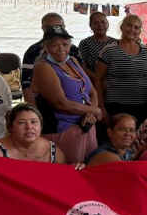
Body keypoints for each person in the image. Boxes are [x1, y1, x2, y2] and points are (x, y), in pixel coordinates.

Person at [32, 25, 101, 163]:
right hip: (63, 130)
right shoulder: (43, 67)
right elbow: (61, 103)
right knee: (69, 172)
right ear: (46, 47)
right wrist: (93, 110)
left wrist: (91, 113)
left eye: (65, 44)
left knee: (90, 167)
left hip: (85, 125)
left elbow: (92, 91)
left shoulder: (72, 61)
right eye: (54, 45)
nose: (61, 49)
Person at [94, 14, 147, 125]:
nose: (132, 29)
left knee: (140, 139)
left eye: (136, 27)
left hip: (144, 105)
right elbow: (98, 80)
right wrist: (101, 106)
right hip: (116, 106)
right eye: (129, 25)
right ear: (122, 27)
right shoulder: (109, 50)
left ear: (140, 31)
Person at [21, 13, 80, 104]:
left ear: (64, 27)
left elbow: (85, 81)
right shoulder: (33, 51)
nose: (54, 30)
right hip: (46, 105)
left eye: (58, 26)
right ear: (43, 28)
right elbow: (26, 85)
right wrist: (33, 112)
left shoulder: (74, 50)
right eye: (49, 27)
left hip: (77, 103)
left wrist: (89, 109)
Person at [0, 103, 66, 163]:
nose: (29, 127)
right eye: (21, 122)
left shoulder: (53, 152)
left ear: (41, 126)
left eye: (34, 122)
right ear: (10, 127)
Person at [78, 12, 117, 81]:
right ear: (91, 26)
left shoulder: (116, 42)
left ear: (108, 24)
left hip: (114, 83)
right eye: (96, 23)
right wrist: (97, 78)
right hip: (94, 82)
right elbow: (82, 66)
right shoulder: (85, 43)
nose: (100, 25)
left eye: (103, 22)